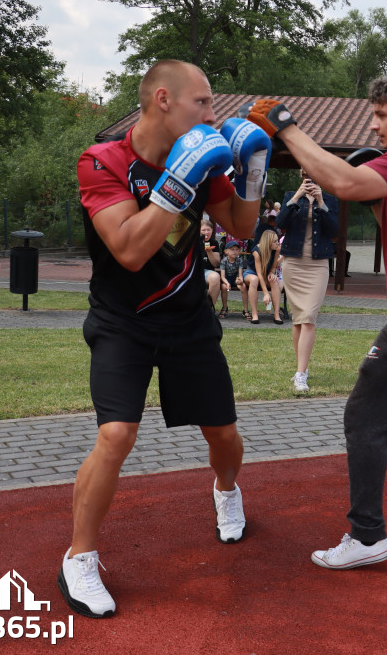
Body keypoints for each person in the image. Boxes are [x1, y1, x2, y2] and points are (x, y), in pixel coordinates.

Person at [241, 74, 387, 570]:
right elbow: (383, 210)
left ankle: (367, 536)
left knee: (364, 416)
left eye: (382, 116)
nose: (374, 127)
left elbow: (342, 183)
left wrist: (284, 126)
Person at [63, 59, 268, 618]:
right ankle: (79, 557)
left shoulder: (206, 158)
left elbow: (242, 228)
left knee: (223, 435)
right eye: (202, 102)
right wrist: (179, 181)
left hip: (188, 321)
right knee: (116, 434)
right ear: (162, 99)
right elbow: (129, 249)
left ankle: (226, 490)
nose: (212, 114)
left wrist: (252, 170)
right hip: (122, 321)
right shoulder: (102, 161)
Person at [276, 170, 339, 392]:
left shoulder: (329, 199)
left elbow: (335, 231)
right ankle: (300, 368)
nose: (310, 181)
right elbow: (281, 222)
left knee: (309, 318)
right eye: (306, 177)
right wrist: (295, 198)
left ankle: (301, 374)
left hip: (318, 264)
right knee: (298, 319)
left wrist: (321, 201)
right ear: (302, 177)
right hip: (293, 263)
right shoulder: (291, 196)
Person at [252, 229, 284, 325]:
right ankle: (254, 314)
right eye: (275, 241)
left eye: (277, 240)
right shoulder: (256, 251)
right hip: (254, 273)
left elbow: (274, 266)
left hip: (266, 272)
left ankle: (276, 315)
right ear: (268, 242)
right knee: (254, 280)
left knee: (274, 280)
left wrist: (272, 273)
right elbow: (259, 274)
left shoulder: (276, 249)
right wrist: (266, 294)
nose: (278, 243)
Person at [218, 240, 248, 318]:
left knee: (243, 286)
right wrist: (227, 283)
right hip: (226, 279)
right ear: (226, 251)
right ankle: (224, 307)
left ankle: (246, 310)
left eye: (236, 249)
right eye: (232, 249)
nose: (235, 251)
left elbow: (240, 274)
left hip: (235, 278)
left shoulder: (239, 260)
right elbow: (222, 277)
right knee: (224, 287)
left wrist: (240, 280)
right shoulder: (224, 261)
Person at [199, 219, 222, 311]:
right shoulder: (193, 241)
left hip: (207, 272)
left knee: (215, 277)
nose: (206, 232)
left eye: (208, 230)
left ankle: (209, 309)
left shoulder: (214, 243)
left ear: (212, 230)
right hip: (194, 271)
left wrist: (209, 252)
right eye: (203, 230)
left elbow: (216, 264)